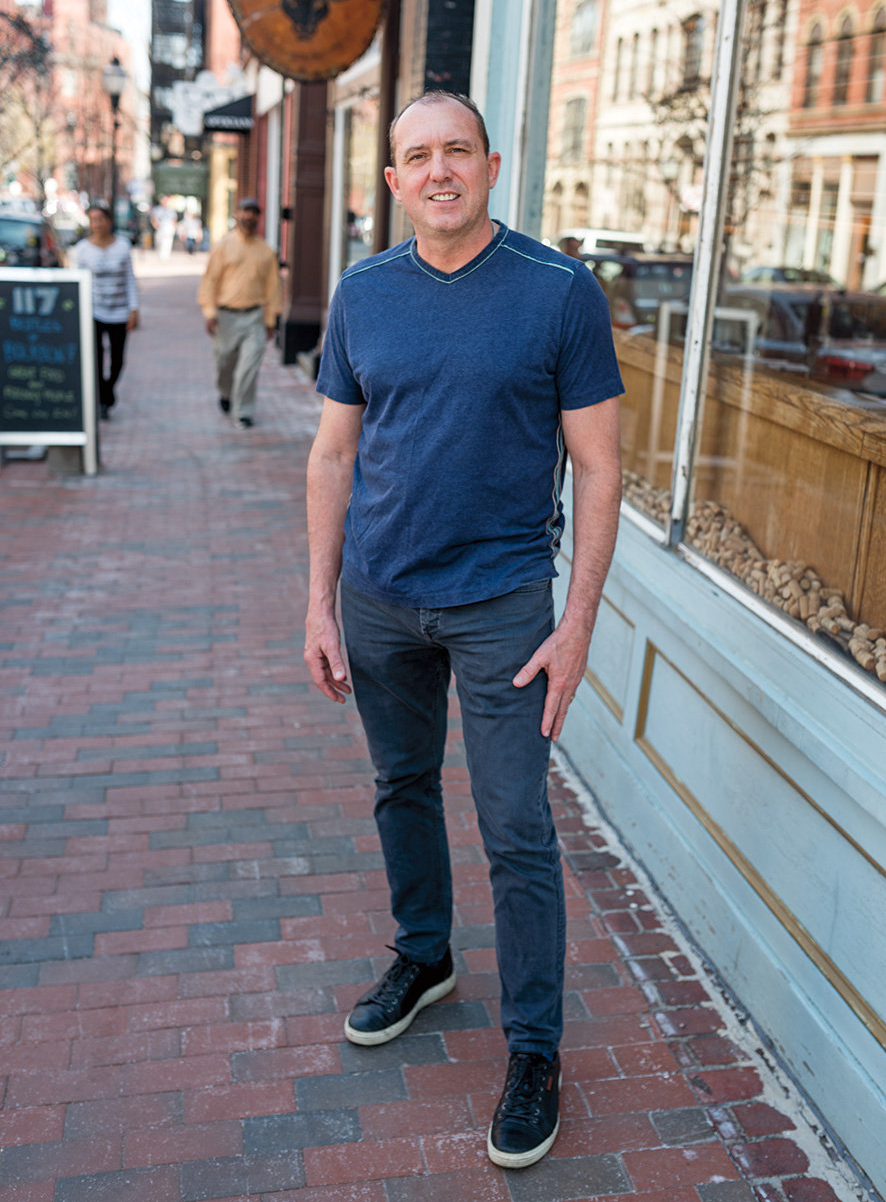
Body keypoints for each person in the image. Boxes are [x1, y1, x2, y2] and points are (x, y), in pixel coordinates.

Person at [304, 91, 623, 1169]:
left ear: (492, 162)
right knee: (400, 786)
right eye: (415, 157)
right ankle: (424, 955)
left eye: (456, 151)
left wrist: (577, 624)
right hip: (381, 595)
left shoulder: (558, 292)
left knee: (515, 826)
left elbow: (601, 467)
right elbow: (333, 455)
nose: (437, 171)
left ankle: (535, 1049)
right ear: (392, 181)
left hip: (501, 608)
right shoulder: (362, 292)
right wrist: (317, 600)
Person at [197, 197, 281, 428]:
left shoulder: (266, 251)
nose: (249, 217)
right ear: (237, 215)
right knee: (224, 363)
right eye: (245, 211)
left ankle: (243, 411)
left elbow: (273, 288)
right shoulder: (223, 246)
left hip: (254, 316)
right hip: (225, 316)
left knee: (249, 366)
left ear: (258, 218)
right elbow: (210, 280)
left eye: (254, 213)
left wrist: (271, 319)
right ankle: (225, 393)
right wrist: (209, 312)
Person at [73, 200, 139, 420]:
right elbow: (78, 281)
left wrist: (134, 308)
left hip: (119, 311)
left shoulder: (123, 246)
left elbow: (130, 278)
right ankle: (103, 398)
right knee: (96, 356)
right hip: (93, 311)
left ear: (109, 221)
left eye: (101, 219)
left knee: (118, 358)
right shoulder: (82, 250)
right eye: (93, 220)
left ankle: (108, 389)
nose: (97, 224)